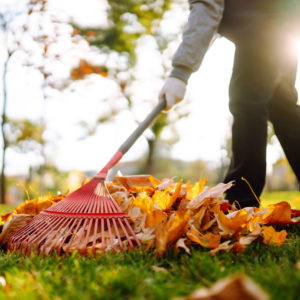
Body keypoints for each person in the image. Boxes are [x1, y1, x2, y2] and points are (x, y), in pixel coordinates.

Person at [159, 0, 300, 208]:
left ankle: (242, 202)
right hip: (286, 26)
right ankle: (243, 199)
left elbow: (207, 8)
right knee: (282, 108)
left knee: (247, 103)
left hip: (264, 27)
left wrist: (180, 73)